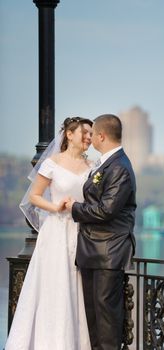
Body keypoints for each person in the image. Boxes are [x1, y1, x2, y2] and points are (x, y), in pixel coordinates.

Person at [5, 117, 93, 350]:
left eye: (91, 135)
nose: (89, 138)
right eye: (85, 132)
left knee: (76, 287)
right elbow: (34, 196)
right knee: (54, 285)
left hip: (81, 232)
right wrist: (55, 207)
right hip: (56, 231)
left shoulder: (92, 166)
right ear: (69, 134)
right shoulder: (52, 163)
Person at [65, 114, 137, 350]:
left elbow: (106, 210)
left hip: (108, 252)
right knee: (93, 319)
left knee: (107, 322)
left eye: (92, 133)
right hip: (92, 251)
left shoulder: (120, 167)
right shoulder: (106, 163)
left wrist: (74, 208)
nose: (90, 137)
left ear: (102, 136)